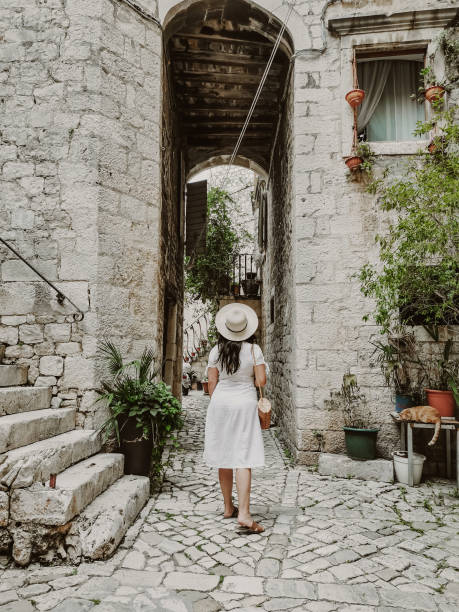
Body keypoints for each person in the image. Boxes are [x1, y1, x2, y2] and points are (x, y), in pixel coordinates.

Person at [203, 303, 268, 533]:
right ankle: (245, 513)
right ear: (246, 329)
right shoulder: (254, 350)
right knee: (243, 456)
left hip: (220, 403)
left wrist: (217, 402)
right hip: (244, 404)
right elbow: (260, 382)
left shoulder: (215, 351)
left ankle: (228, 507)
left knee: (224, 456)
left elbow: (212, 382)